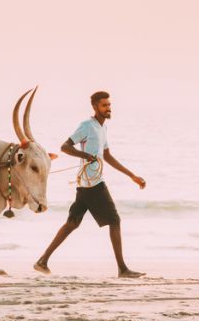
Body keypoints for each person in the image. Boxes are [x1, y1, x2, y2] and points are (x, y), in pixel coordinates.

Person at [34, 91, 147, 278]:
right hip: (93, 184)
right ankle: (123, 269)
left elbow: (107, 156)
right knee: (114, 221)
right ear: (95, 107)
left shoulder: (103, 128)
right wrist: (85, 155)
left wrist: (132, 176)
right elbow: (65, 147)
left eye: (109, 105)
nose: (108, 108)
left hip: (85, 184)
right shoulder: (87, 126)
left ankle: (42, 261)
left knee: (72, 223)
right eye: (104, 105)